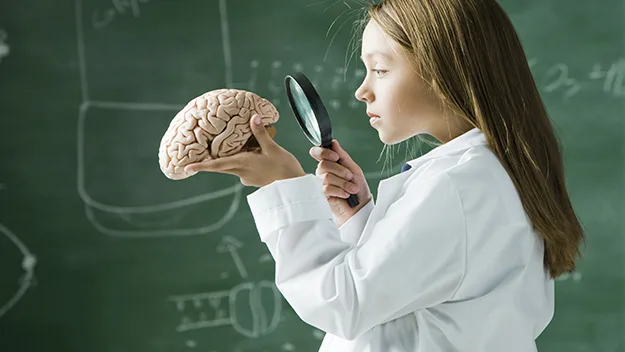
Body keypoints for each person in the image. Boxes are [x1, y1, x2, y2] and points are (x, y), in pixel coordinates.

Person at [186, 0, 585, 350]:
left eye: (380, 69)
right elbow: (417, 297)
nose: (363, 90)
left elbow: (344, 303)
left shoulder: (456, 186)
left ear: (444, 72)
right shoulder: (488, 175)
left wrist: (283, 185)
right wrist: (360, 220)